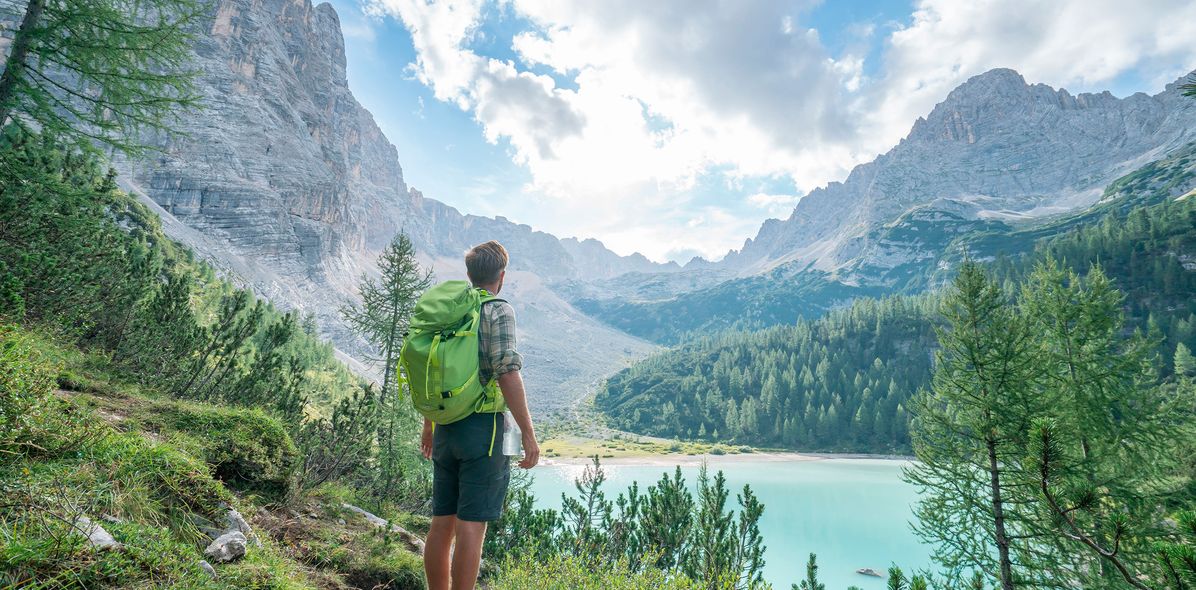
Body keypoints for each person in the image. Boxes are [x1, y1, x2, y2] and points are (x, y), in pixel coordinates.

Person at [420, 240, 540, 590]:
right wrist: (528, 435)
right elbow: (507, 372)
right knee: (472, 525)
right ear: (501, 276)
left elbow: (433, 372)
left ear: (469, 275)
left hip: (445, 426)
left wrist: (429, 425)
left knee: (442, 522)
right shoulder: (499, 310)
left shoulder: (451, 311)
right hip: (484, 430)